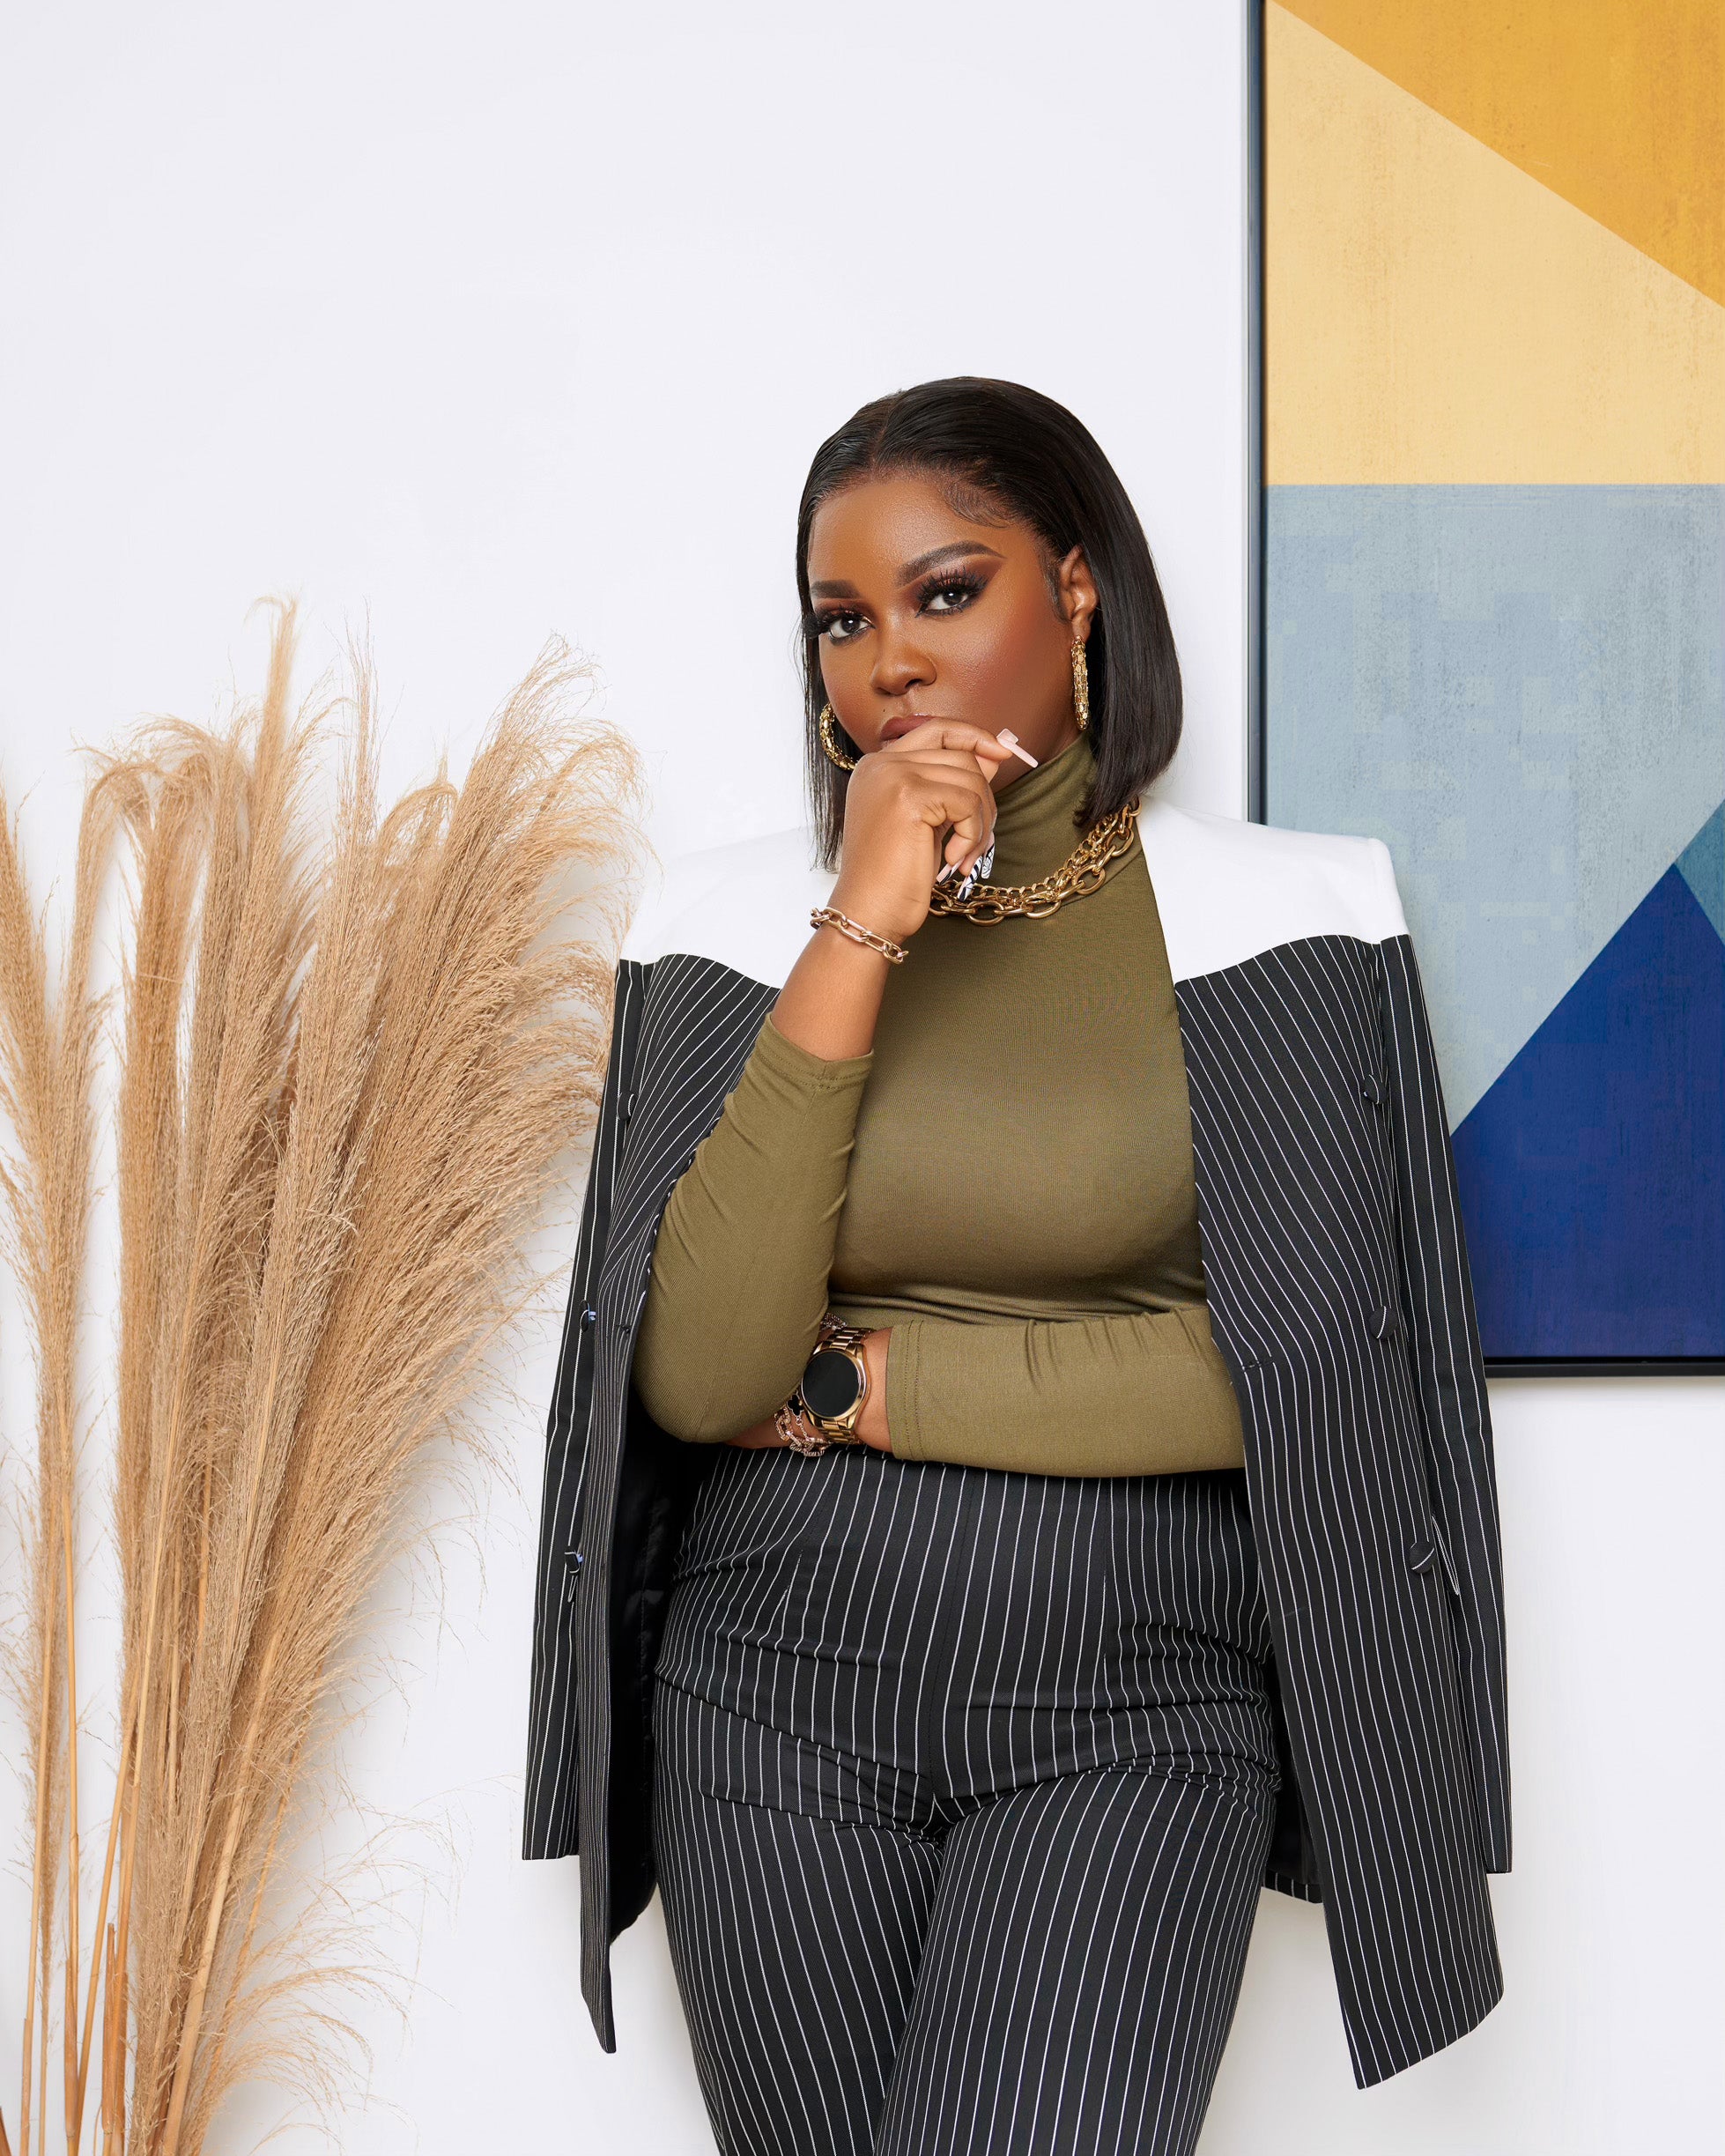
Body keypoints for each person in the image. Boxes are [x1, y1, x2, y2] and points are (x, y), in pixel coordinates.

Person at [522, 378, 1510, 2156]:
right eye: (843, 620)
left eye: (944, 590)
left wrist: (873, 1383)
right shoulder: (723, 926)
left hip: (1136, 1709)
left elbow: (1306, 1369)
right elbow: (698, 1372)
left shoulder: (1295, 919)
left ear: (1077, 592)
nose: (888, 657)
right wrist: (866, 923)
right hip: (765, 1718)